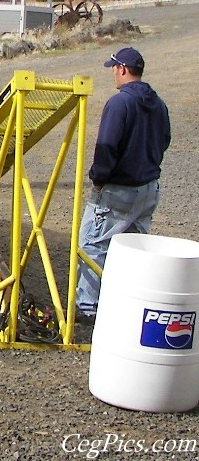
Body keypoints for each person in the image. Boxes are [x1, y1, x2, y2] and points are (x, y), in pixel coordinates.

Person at [76, 47, 171, 321]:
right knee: (133, 251)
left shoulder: (119, 103)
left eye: (114, 69)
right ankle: (129, 304)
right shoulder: (159, 104)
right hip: (149, 188)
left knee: (92, 245)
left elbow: (106, 146)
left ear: (123, 69)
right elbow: (164, 139)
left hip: (118, 189)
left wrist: (98, 179)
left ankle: (89, 308)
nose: (113, 75)